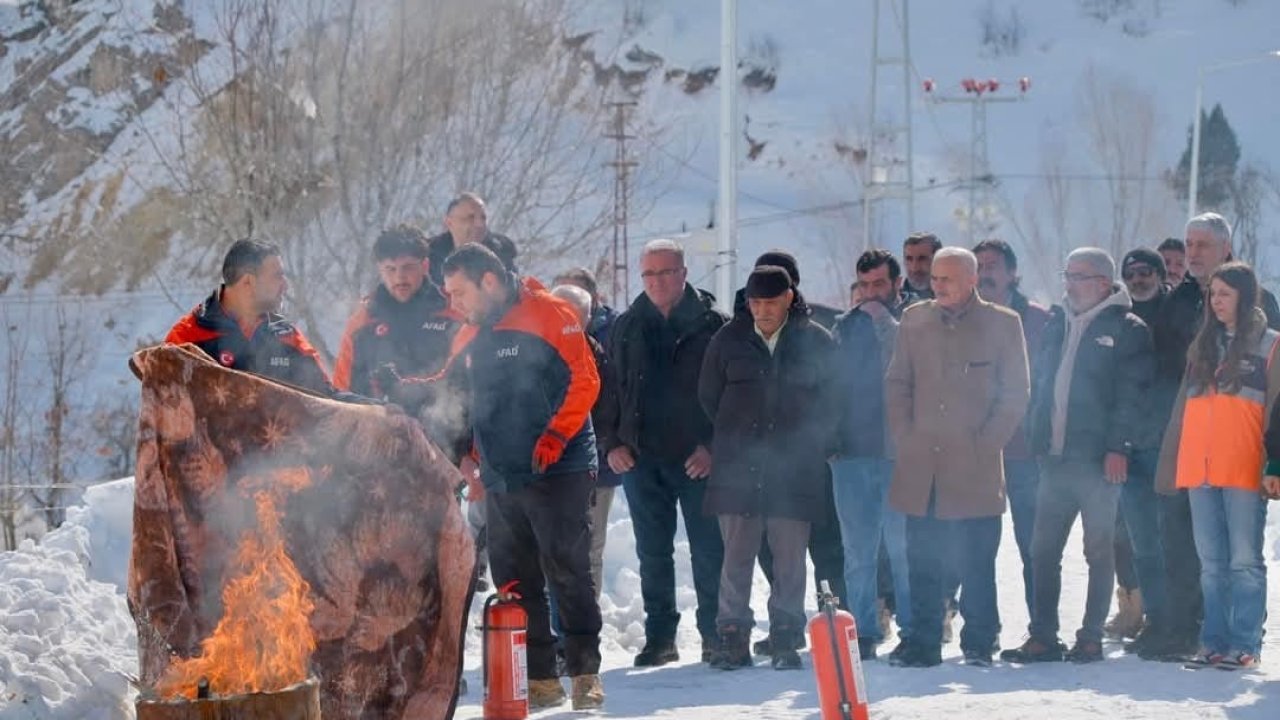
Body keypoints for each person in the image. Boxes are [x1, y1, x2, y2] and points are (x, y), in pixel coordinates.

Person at [440, 244, 603, 710]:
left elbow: (586, 381)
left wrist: (555, 435)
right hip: (501, 471)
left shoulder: (551, 313)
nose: (455, 305)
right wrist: (465, 455)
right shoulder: (469, 332)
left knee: (566, 567)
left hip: (561, 465)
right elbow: (452, 397)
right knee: (514, 578)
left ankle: (585, 671)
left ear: (488, 281)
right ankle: (541, 676)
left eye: (459, 292)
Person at [1001, 248, 1154, 664]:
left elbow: (1132, 396)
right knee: (1042, 550)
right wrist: (1036, 433)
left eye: (1079, 276)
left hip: (1099, 463)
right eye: (1067, 274)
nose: (1069, 282)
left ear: (1103, 283)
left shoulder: (1128, 328)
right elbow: (1043, 381)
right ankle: (1043, 637)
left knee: (1098, 550)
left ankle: (1090, 637)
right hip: (1053, 459)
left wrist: (1118, 448)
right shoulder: (1057, 322)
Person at [884, 247, 1029, 668]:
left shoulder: (1003, 323)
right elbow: (897, 384)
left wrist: (985, 446)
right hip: (921, 464)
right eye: (934, 277)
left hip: (976, 466)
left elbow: (1015, 394)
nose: (937, 284)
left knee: (976, 559)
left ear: (971, 280)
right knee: (922, 557)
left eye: (947, 278)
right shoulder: (915, 320)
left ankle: (980, 640)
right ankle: (923, 641)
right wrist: (905, 437)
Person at [1145, 212, 1280, 661]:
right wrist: (1170, 463)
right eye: (1213, 296)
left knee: (1244, 562)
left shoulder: (1271, 342)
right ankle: (1214, 643)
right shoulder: (1201, 344)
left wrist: (1273, 464)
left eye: (1223, 296)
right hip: (1199, 467)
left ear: (1244, 297)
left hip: (1242, 465)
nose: (1215, 302)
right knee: (1211, 565)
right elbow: (1184, 410)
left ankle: (1245, 643)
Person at [699, 265, 838, 671]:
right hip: (738, 467)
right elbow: (709, 397)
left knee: (790, 559)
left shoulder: (815, 340)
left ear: (789, 299)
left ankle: (786, 637)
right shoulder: (728, 339)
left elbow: (833, 399)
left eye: (771, 302)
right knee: (736, 557)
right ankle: (732, 637)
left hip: (795, 468)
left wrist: (813, 443)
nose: (762, 311)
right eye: (755, 302)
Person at [598, 239, 727, 667]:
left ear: (684, 273)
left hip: (697, 459)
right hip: (641, 458)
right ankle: (659, 638)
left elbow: (734, 397)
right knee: (652, 552)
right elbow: (607, 391)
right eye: (649, 274)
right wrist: (612, 443)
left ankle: (715, 634)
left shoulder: (714, 326)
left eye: (666, 272)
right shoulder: (627, 325)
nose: (657, 282)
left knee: (710, 549)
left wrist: (712, 448)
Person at [730, 250, 846, 657]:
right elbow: (714, 395)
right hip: (759, 460)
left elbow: (835, 394)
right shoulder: (739, 335)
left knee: (825, 547)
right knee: (772, 549)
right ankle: (787, 626)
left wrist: (823, 440)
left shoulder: (818, 330)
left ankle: (835, 623)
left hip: (811, 458)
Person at [829, 249, 913, 661]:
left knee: (903, 548)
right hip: (851, 457)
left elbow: (915, 368)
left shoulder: (914, 322)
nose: (871, 293)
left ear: (897, 284)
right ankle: (863, 630)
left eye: (879, 284)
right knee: (858, 550)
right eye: (864, 285)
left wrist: (884, 323)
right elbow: (825, 386)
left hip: (899, 454)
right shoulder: (843, 328)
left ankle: (914, 629)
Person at [973, 239, 1051, 622]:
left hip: (1025, 453)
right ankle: (981, 630)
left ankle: (1041, 626)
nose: (985, 273)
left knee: (1032, 546)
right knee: (974, 548)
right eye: (980, 265)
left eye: (993, 266)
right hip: (976, 454)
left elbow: (1047, 383)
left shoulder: (1037, 320)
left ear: (1012, 273)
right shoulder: (963, 317)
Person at [332, 225, 463, 437]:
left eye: (408, 267)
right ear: (380, 270)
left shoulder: (453, 314)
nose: (400, 277)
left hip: (444, 440)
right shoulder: (362, 322)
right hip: (379, 445)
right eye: (390, 269)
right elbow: (341, 393)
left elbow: (471, 386)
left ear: (425, 265)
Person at [166, 239, 333, 396]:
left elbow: (327, 398)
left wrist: (359, 408)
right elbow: (163, 407)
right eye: (277, 276)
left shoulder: (288, 336)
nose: (285, 285)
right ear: (248, 282)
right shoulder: (187, 338)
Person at [1112, 248, 1175, 651]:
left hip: (1170, 444)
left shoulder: (1177, 316)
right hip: (1128, 447)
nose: (1139, 279)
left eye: (1146, 271)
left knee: (1175, 540)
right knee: (1141, 542)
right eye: (1131, 273)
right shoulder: (1117, 321)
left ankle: (1180, 619)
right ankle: (1153, 618)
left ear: (1161, 274)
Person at [550, 283, 618, 599]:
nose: (566, 322)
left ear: (587, 318)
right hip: (543, 468)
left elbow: (609, 410)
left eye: (574, 316)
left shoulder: (599, 357)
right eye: (558, 313)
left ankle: (584, 629)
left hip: (592, 469)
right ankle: (552, 630)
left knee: (589, 550)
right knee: (549, 551)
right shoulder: (532, 353)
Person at [427, 192, 519, 287]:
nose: (479, 224)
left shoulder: (501, 254)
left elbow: (513, 294)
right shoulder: (429, 255)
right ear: (449, 223)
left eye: (483, 218)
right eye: (470, 218)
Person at [902, 232, 941, 300]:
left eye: (922, 258)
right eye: (909, 259)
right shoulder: (897, 301)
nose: (914, 268)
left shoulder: (953, 299)